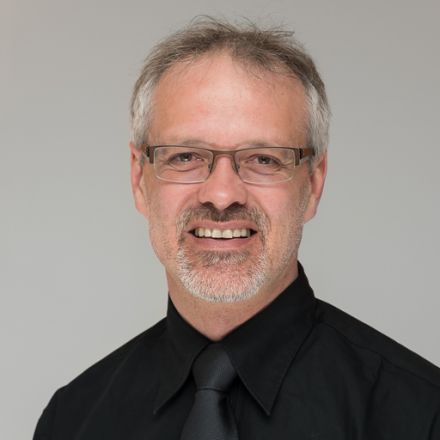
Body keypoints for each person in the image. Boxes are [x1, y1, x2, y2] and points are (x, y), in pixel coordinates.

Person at [34, 17, 440, 439]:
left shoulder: (422, 416)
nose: (222, 194)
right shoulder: (72, 420)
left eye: (264, 159)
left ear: (314, 184)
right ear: (139, 179)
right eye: (185, 157)